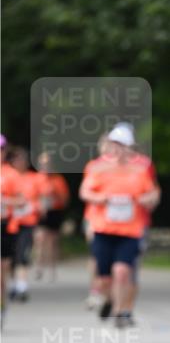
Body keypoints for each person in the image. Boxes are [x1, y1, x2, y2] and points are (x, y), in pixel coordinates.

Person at [79, 127, 160, 327]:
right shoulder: (97, 167)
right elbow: (85, 192)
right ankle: (109, 299)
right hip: (103, 228)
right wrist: (102, 198)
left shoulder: (140, 168)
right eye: (116, 144)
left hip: (131, 229)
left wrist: (147, 199)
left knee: (123, 271)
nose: (119, 149)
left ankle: (119, 312)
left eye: (123, 146)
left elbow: (153, 194)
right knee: (104, 279)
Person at [7, 147, 41, 301]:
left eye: (24, 160)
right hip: (10, 222)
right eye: (18, 159)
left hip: (28, 222)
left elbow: (42, 198)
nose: (21, 162)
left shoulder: (34, 178)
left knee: (23, 254)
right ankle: (14, 284)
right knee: (11, 257)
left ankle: (22, 286)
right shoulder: (8, 176)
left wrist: (36, 206)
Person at [33, 151, 70, 281]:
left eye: (47, 163)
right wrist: (38, 204)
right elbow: (30, 196)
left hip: (55, 212)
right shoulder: (36, 178)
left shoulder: (58, 180)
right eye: (43, 163)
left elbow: (65, 200)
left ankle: (52, 270)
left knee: (52, 242)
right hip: (41, 213)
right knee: (40, 239)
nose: (45, 166)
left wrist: (55, 195)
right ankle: (38, 267)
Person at [1, 135, 23, 325]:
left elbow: (22, 200)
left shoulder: (11, 174)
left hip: (5, 226)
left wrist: (5, 201)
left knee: (2, 271)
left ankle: (1, 305)